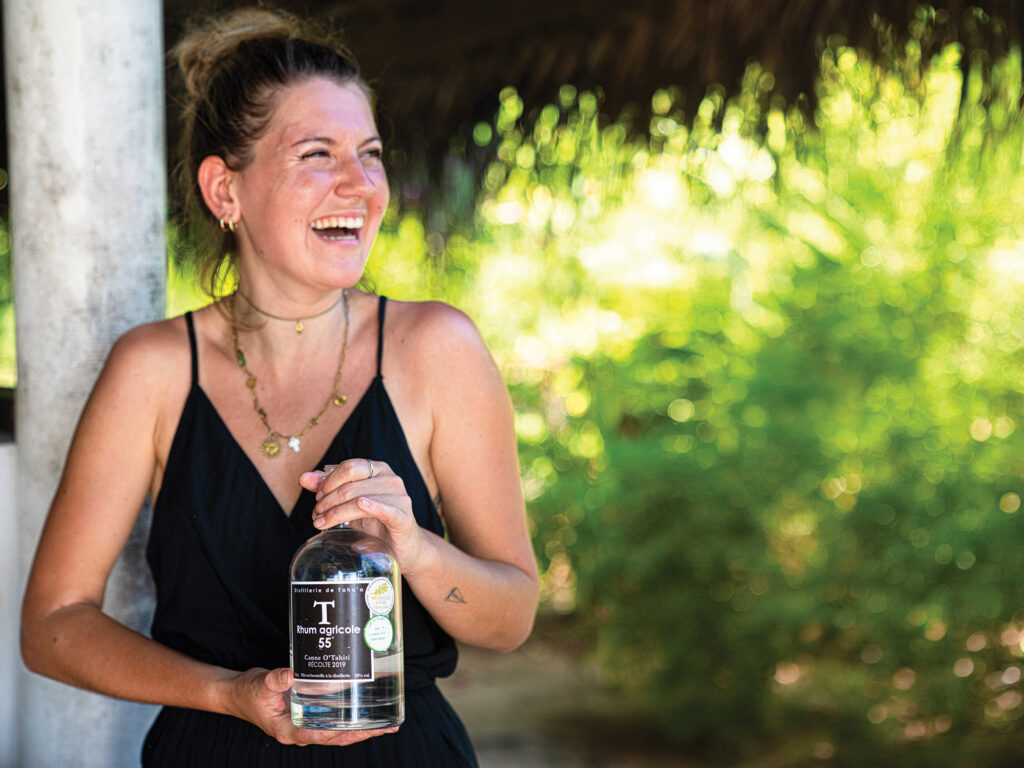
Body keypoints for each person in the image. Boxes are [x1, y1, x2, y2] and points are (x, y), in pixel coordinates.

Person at [20, 8, 539, 767]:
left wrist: (416, 549)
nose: (360, 184)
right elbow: (53, 624)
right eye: (317, 154)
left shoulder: (436, 349)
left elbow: (512, 617)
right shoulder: (152, 369)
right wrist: (230, 694)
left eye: (370, 154)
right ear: (224, 190)